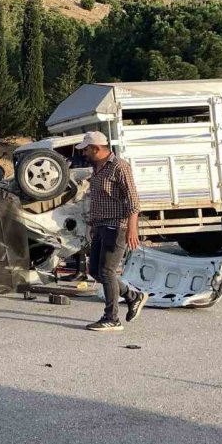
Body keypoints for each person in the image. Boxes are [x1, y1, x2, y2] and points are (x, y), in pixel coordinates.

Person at [77, 131, 148, 332]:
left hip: (116, 227)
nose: (84, 153)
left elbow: (134, 202)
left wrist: (131, 229)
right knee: (95, 272)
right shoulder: (96, 168)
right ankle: (133, 296)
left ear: (96, 148)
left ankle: (112, 318)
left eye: (86, 149)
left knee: (107, 271)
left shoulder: (119, 167)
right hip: (100, 226)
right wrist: (92, 225)